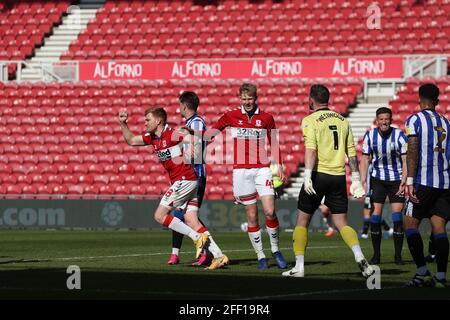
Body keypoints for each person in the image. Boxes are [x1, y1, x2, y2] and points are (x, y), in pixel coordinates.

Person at [118, 107, 229, 270]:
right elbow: (131, 140)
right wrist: (123, 124)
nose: (145, 123)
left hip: (183, 180)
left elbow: (191, 136)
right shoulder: (152, 137)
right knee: (191, 220)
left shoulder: (172, 133)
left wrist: (193, 144)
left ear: (158, 121)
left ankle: (196, 237)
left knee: (159, 215)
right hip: (189, 181)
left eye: (148, 120)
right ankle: (219, 256)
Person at [282, 84, 373, 278]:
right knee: (341, 222)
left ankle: (299, 266)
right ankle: (359, 255)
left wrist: (307, 176)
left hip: (318, 175)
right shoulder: (342, 120)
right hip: (338, 177)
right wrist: (356, 178)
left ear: (311, 100)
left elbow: (311, 150)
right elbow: (351, 153)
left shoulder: (310, 119)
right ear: (327, 99)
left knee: (302, 221)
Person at [205, 83, 288, 270]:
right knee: (251, 216)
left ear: (255, 98)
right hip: (241, 171)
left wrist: (279, 165)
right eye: (244, 99)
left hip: (262, 169)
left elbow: (274, 142)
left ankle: (276, 250)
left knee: (269, 211)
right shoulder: (231, 115)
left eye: (250, 98)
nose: (247, 102)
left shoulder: (267, 118)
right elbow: (212, 133)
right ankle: (261, 256)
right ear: (240, 99)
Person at [404, 83, 449, 288]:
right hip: (445, 182)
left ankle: (422, 272)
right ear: (437, 101)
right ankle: (440, 276)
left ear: (420, 99)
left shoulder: (415, 120)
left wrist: (410, 181)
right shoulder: (446, 122)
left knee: (409, 224)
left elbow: (412, 151)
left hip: (423, 181)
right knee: (439, 228)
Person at [167, 91, 213, 266]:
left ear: (184, 106)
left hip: (196, 175)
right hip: (186, 175)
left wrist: (190, 142)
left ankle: (208, 250)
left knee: (188, 217)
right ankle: (175, 254)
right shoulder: (189, 124)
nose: (179, 108)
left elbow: (198, 138)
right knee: (179, 216)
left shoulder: (196, 122)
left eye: (180, 105)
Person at [360, 107, 407, 265]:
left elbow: (406, 160)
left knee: (397, 217)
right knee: (375, 216)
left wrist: (405, 179)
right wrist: (363, 180)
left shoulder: (400, 136)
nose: (384, 122)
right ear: (377, 121)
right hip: (378, 179)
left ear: (391, 120)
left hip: (396, 179)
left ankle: (398, 256)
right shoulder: (370, 136)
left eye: (387, 119)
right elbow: (365, 159)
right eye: (381, 119)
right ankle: (376, 255)